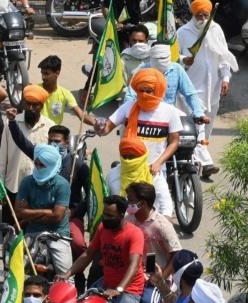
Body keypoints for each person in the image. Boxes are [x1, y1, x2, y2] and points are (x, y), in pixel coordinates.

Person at [95, 69, 181, 217]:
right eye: (141, 90)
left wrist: (159, 162)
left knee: (162, 211)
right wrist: (99, 127)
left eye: (149, 91)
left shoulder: (170, 112)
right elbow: (107, 128)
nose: (145, 94)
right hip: (127, 169)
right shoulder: (128, 107)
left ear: (158, 90)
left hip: (152, 170)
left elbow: (174, 142)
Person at [178, 0, 237, 180]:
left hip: (214, 88)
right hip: (191, 89)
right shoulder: (183, 33)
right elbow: (173, 58)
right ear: (193, 14)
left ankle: (198, 157)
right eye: (199, 15)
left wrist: (225, 78)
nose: (202, 19)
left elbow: (223, 56)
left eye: (205, 15)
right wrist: (183, 59)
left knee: (207, 126)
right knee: (199, 124)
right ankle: (206, 162)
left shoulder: (215, 29)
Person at [14, 142, 72, 276]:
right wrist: (48, 212)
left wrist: (30, 212)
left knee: (65, 276)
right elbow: (19, 211)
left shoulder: (62, 185)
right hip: (32, 232)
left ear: (51, 165)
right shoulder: (27, 182)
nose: (38, 168)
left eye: (42, 165)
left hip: (58, 234)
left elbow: (57, 216)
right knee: (18, 270)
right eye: (36, 164)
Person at [0, 88, 54, 199]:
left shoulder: (50, 127)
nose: (30, 108)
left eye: (35, 105)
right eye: (28, 104)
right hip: (13, 185)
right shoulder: (11, 122)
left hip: (37, 188)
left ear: (42, 106)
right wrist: (0, 186)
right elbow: (2, 155)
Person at [125, 181, 181, 271]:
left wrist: (161, 279)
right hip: (134, 274)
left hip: (155, 277)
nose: (127, 203)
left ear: (142, 203)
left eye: (130, 201)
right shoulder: (128, 220)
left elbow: (176, 254)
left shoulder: (162, 225)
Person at [38, 55, 92, 126]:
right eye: (42, 73)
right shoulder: (36, 90)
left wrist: (95, 123)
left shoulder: (65, 94)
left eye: (46, 74)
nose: (43, 77)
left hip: (55, 133)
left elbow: (81, 114)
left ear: (57, 73)